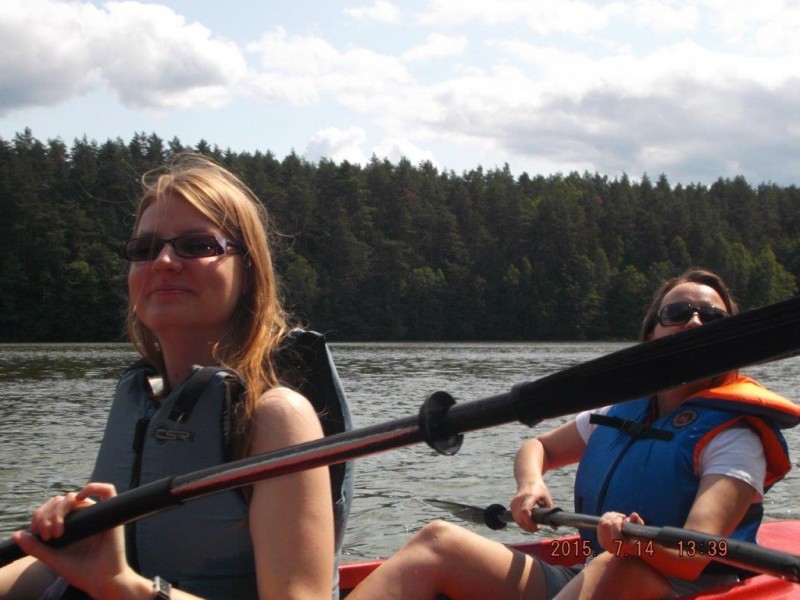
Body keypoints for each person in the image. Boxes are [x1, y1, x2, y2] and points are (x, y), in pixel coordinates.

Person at [0, 154, 353, 600]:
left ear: (248, 272)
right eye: (144, 249)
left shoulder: (277, 418)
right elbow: (63, 577)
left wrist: (126, 588)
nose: (164, 261)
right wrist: (71, 548)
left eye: (197, 245)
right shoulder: (143, 402)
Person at [347, 268, 800, 600]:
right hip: (593, 576)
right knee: (437, 541)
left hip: (682, 589)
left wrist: (636, 543)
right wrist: (530, 484)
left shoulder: (735, 438)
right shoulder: (616, 412)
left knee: (616, 565)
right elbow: (538, 446)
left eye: (712, 318)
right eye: (677, 312)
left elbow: (696, 552)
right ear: (651, 333)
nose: (694, 323)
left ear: (730, 341)